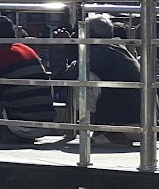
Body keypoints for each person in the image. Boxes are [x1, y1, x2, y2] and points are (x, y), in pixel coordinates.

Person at [60, 15, 142, 146]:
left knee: (85, 77)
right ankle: (102, 130)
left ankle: (106, 132)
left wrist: (59, 48)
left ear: (91, 34)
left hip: (129, 125)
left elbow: (65, 75)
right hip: (142, 121)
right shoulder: (117, 47)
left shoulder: (99, 52)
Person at [0, 16, 58, 141]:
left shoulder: (1, 53)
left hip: (21, 123)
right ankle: (1, 129)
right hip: (44, 122)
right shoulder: (26, 49)